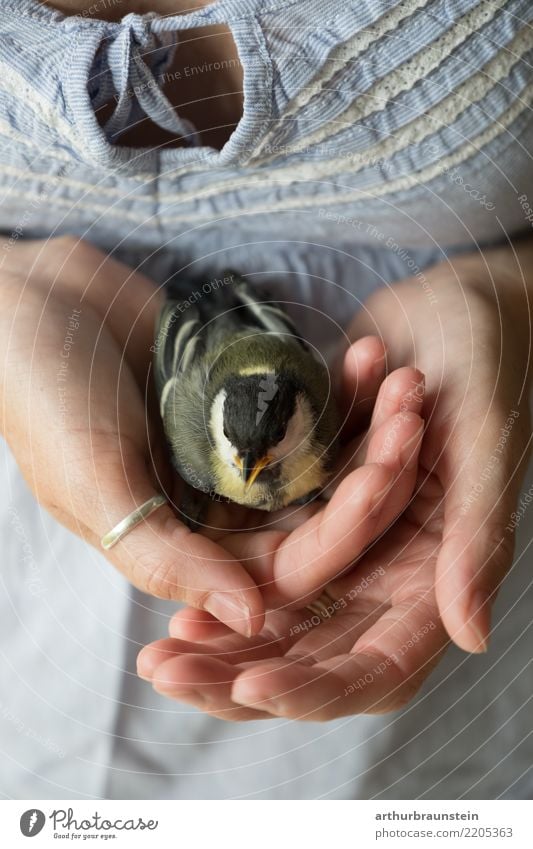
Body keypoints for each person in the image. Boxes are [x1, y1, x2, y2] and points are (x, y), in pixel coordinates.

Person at [1, 0, 532, 798]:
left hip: (440, 503)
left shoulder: (315, 403)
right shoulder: (205, 443)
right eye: (238, 457)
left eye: (265, 450)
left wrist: (504, 295)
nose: (249, 466)